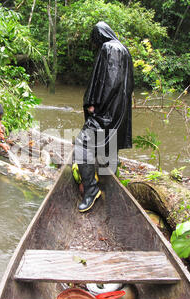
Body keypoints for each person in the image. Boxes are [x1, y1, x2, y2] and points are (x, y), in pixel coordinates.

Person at [74, 21, 134, 213]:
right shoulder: (124, 50)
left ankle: (91, 190)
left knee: (82, 145)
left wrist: (95, 105)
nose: (96, 45)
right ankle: (109, 179)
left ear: (99, 36)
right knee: (109, 146)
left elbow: (110, 80)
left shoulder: (110, 48)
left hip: (106, 112)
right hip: (119, 112)